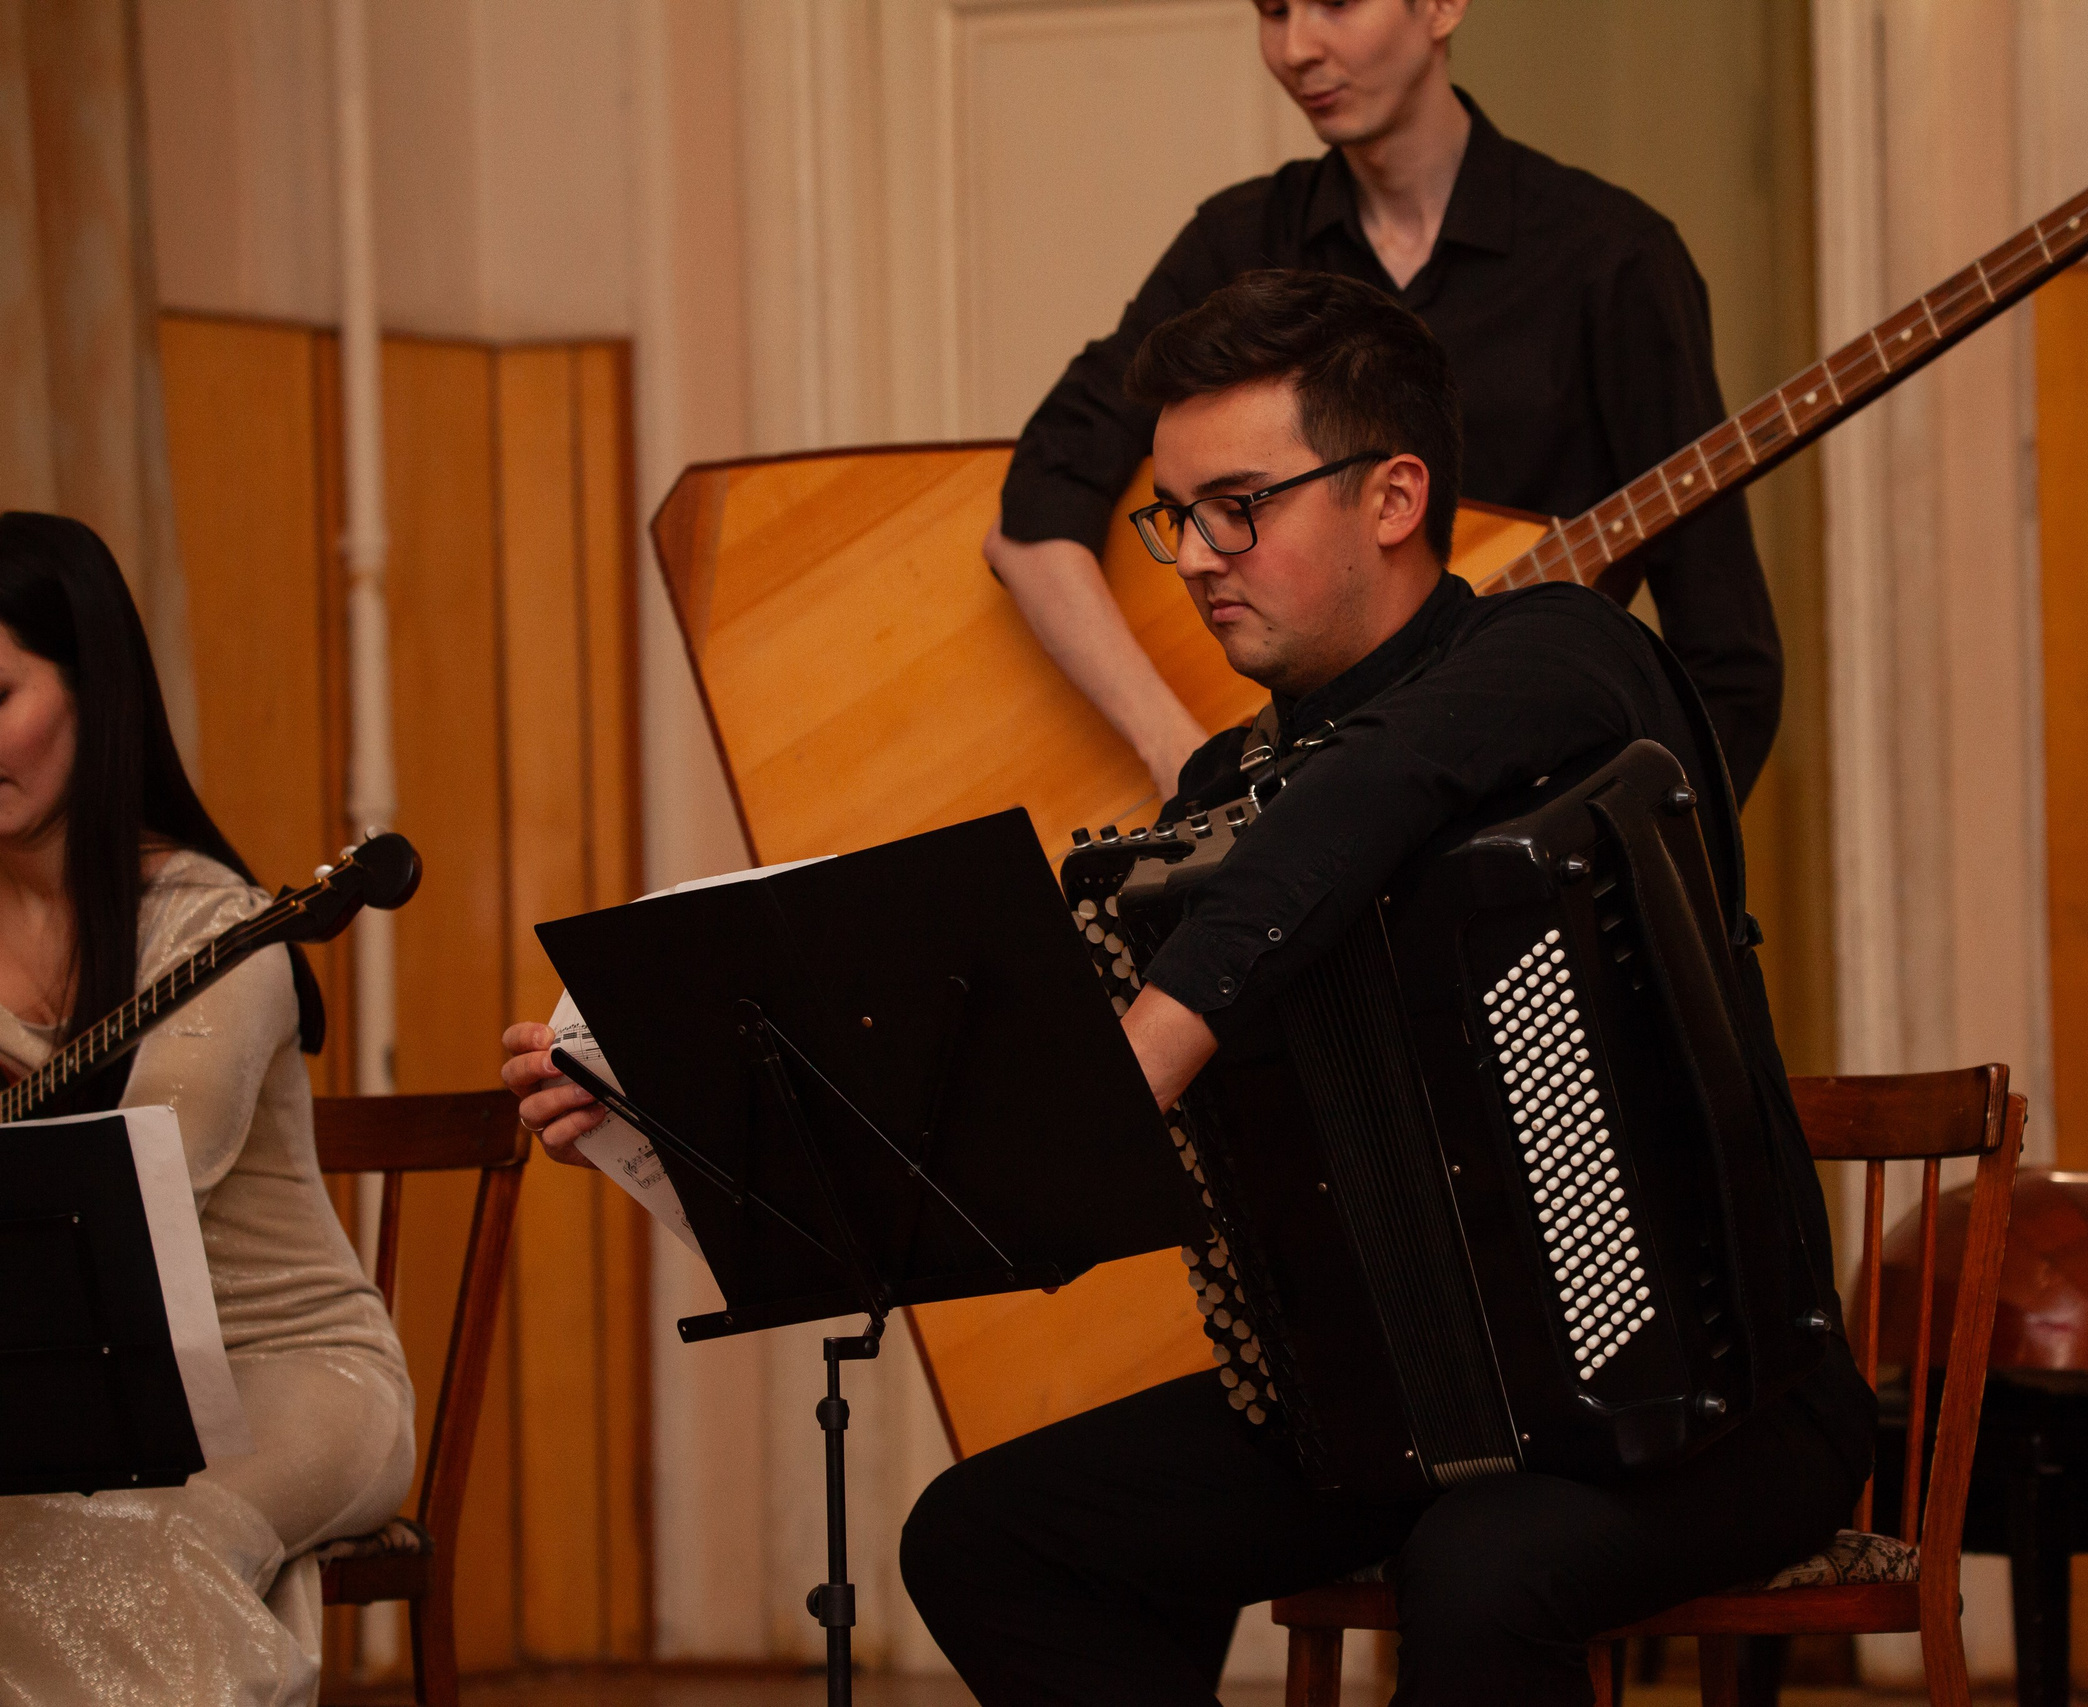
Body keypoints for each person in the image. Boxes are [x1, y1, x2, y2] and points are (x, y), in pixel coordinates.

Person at [505, 273, 1868, 1706]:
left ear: (1394, 495)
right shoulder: (1229, 796)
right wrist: (664, 1102)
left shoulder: (1565, 657)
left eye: (1240, 506)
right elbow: (1010, 1089)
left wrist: (1152, 1042)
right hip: (1383, 1404)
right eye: (1175, 517)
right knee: (989, 1538)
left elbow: (1384, 786)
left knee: (1480, 1565)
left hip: (1726, 1405)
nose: (1198, 557)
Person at [988, 0, 1786, 806]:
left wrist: (1601, 856)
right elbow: (1032, 519)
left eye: (1336, 3)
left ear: (1441, 7)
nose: (1297, 48)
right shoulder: (1238, 242)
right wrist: (1182, 758)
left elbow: (1727, 662)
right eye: (1273, 11)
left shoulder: (1610, 261)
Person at [0, 513, 413, 1707]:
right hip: (55, 1392)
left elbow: (151, 1171)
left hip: (284, 1372)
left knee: (126, 1538)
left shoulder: (221, 926)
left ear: (94, 693)